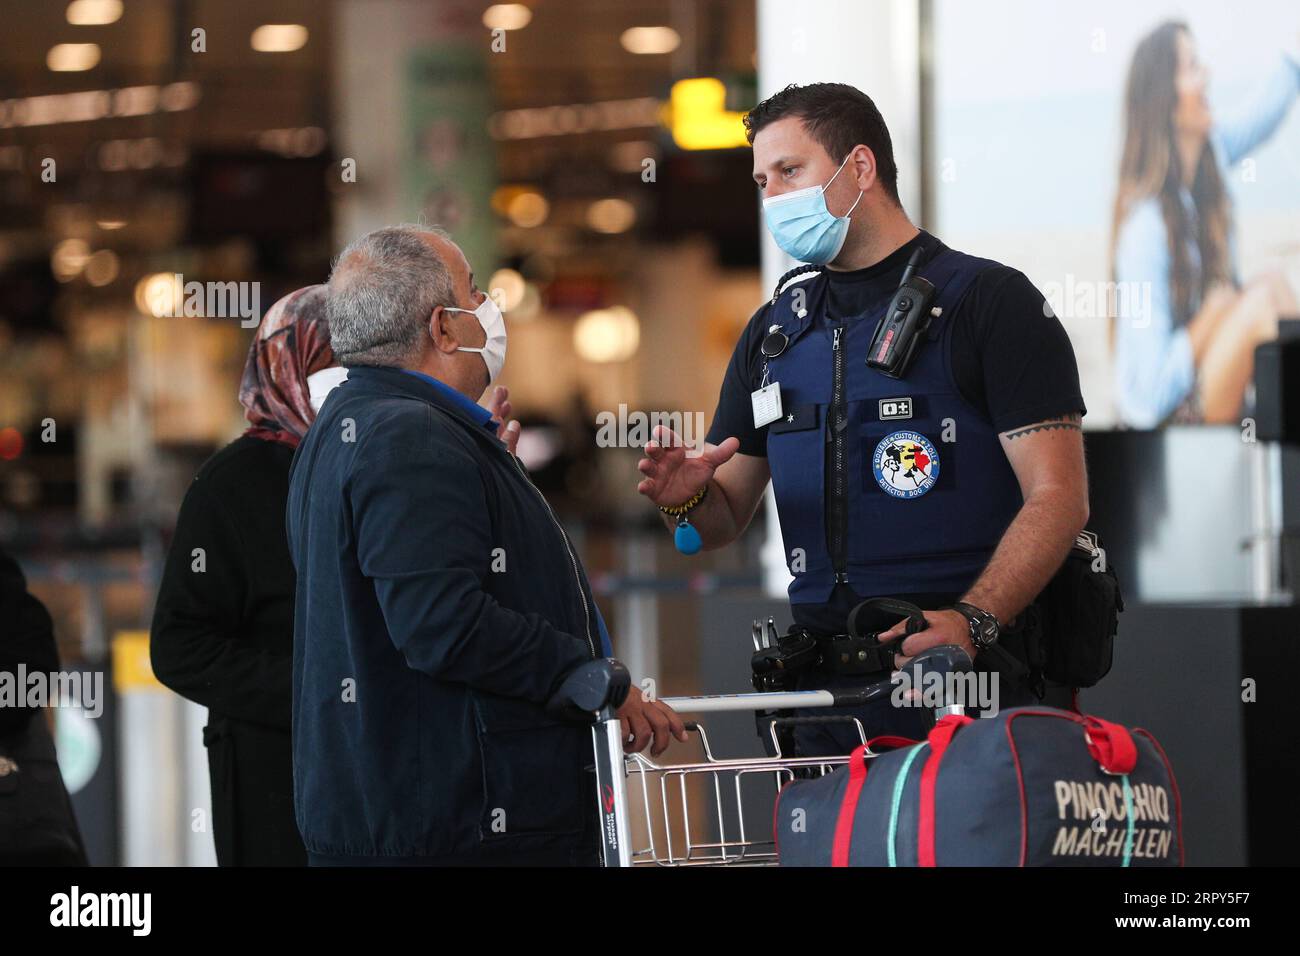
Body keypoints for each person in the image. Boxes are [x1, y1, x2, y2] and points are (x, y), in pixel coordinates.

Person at [636, 83, 1090, 755]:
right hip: (825, 702)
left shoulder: (991, 304)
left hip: (970, 687)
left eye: (790, 171)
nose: (773, 198)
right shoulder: (774, 334)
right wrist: (686, 499)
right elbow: (721, 520)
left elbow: (1060, 497)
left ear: (860, 168)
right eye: (762, 181)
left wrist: (973, 621)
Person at [287, 224, 684, 866]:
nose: (489, 310)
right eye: (475, 293)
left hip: (397, 814)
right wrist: (584, 677)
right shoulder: (411, 439)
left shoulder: (345, 430)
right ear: (443, 329)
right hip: (462, 824)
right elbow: (442, 625)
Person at [150, 285, 348, 866]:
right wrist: (313, 694)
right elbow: (180, 644)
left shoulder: (379, 465)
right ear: (285, 364)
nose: (345, 380)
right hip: (274, 776)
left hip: (384, 768)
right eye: (327, 362)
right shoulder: (231, 486)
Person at [1112, 22, 1300, 427]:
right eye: (1193, 67)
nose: (1207, 75)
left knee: (1271, 281)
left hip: (1207, 385)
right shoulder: (1144, 229)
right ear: (1166, 98)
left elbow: (1263, 114)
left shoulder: (1209, 162)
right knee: (1261, 308)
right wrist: (1211, 318)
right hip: (1168, 425)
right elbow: (1149, 396)